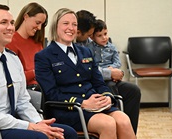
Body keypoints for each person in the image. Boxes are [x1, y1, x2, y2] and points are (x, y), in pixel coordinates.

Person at [0, 4, 77, 139]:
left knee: (67, 133)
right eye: (3, 23)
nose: (10, 27)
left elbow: (22, 101)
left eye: (11, 22)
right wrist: (30, 126)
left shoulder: (12, 59)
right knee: (40, 138)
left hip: (12, 122)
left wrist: (38, 122)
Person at [35, 8, 136, 139]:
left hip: (95, 105)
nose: (70, 28)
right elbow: (51, 94)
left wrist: (107, 97)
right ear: (55, 26)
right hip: (68, 109)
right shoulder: (44, 56)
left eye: (74, 24)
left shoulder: (85, 52)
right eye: (66, 23)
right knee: (108, 124)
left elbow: (99, 83)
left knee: (124, 120)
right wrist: (82, 103)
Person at [87, 19, 141, 134]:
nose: (104, 38)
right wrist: (108, 72)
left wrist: (113, 70)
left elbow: (117, 63)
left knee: (133, 90)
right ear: (92, 37)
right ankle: (114, 114)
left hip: (111, 76)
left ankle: (128, 132)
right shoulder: (89, 48)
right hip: (99, 79)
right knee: (110, 86)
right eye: (99, 35)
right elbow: (92, 67)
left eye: (105, 34)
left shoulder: (111, 47)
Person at [6, 2, 47, 110]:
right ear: (26, 17)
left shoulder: (37, 42)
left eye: (42, 24)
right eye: (37, 22)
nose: (39, 28)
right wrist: (35, 72)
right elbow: (12, 78)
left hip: (42, 86)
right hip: (26, 90)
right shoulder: (11, 42)